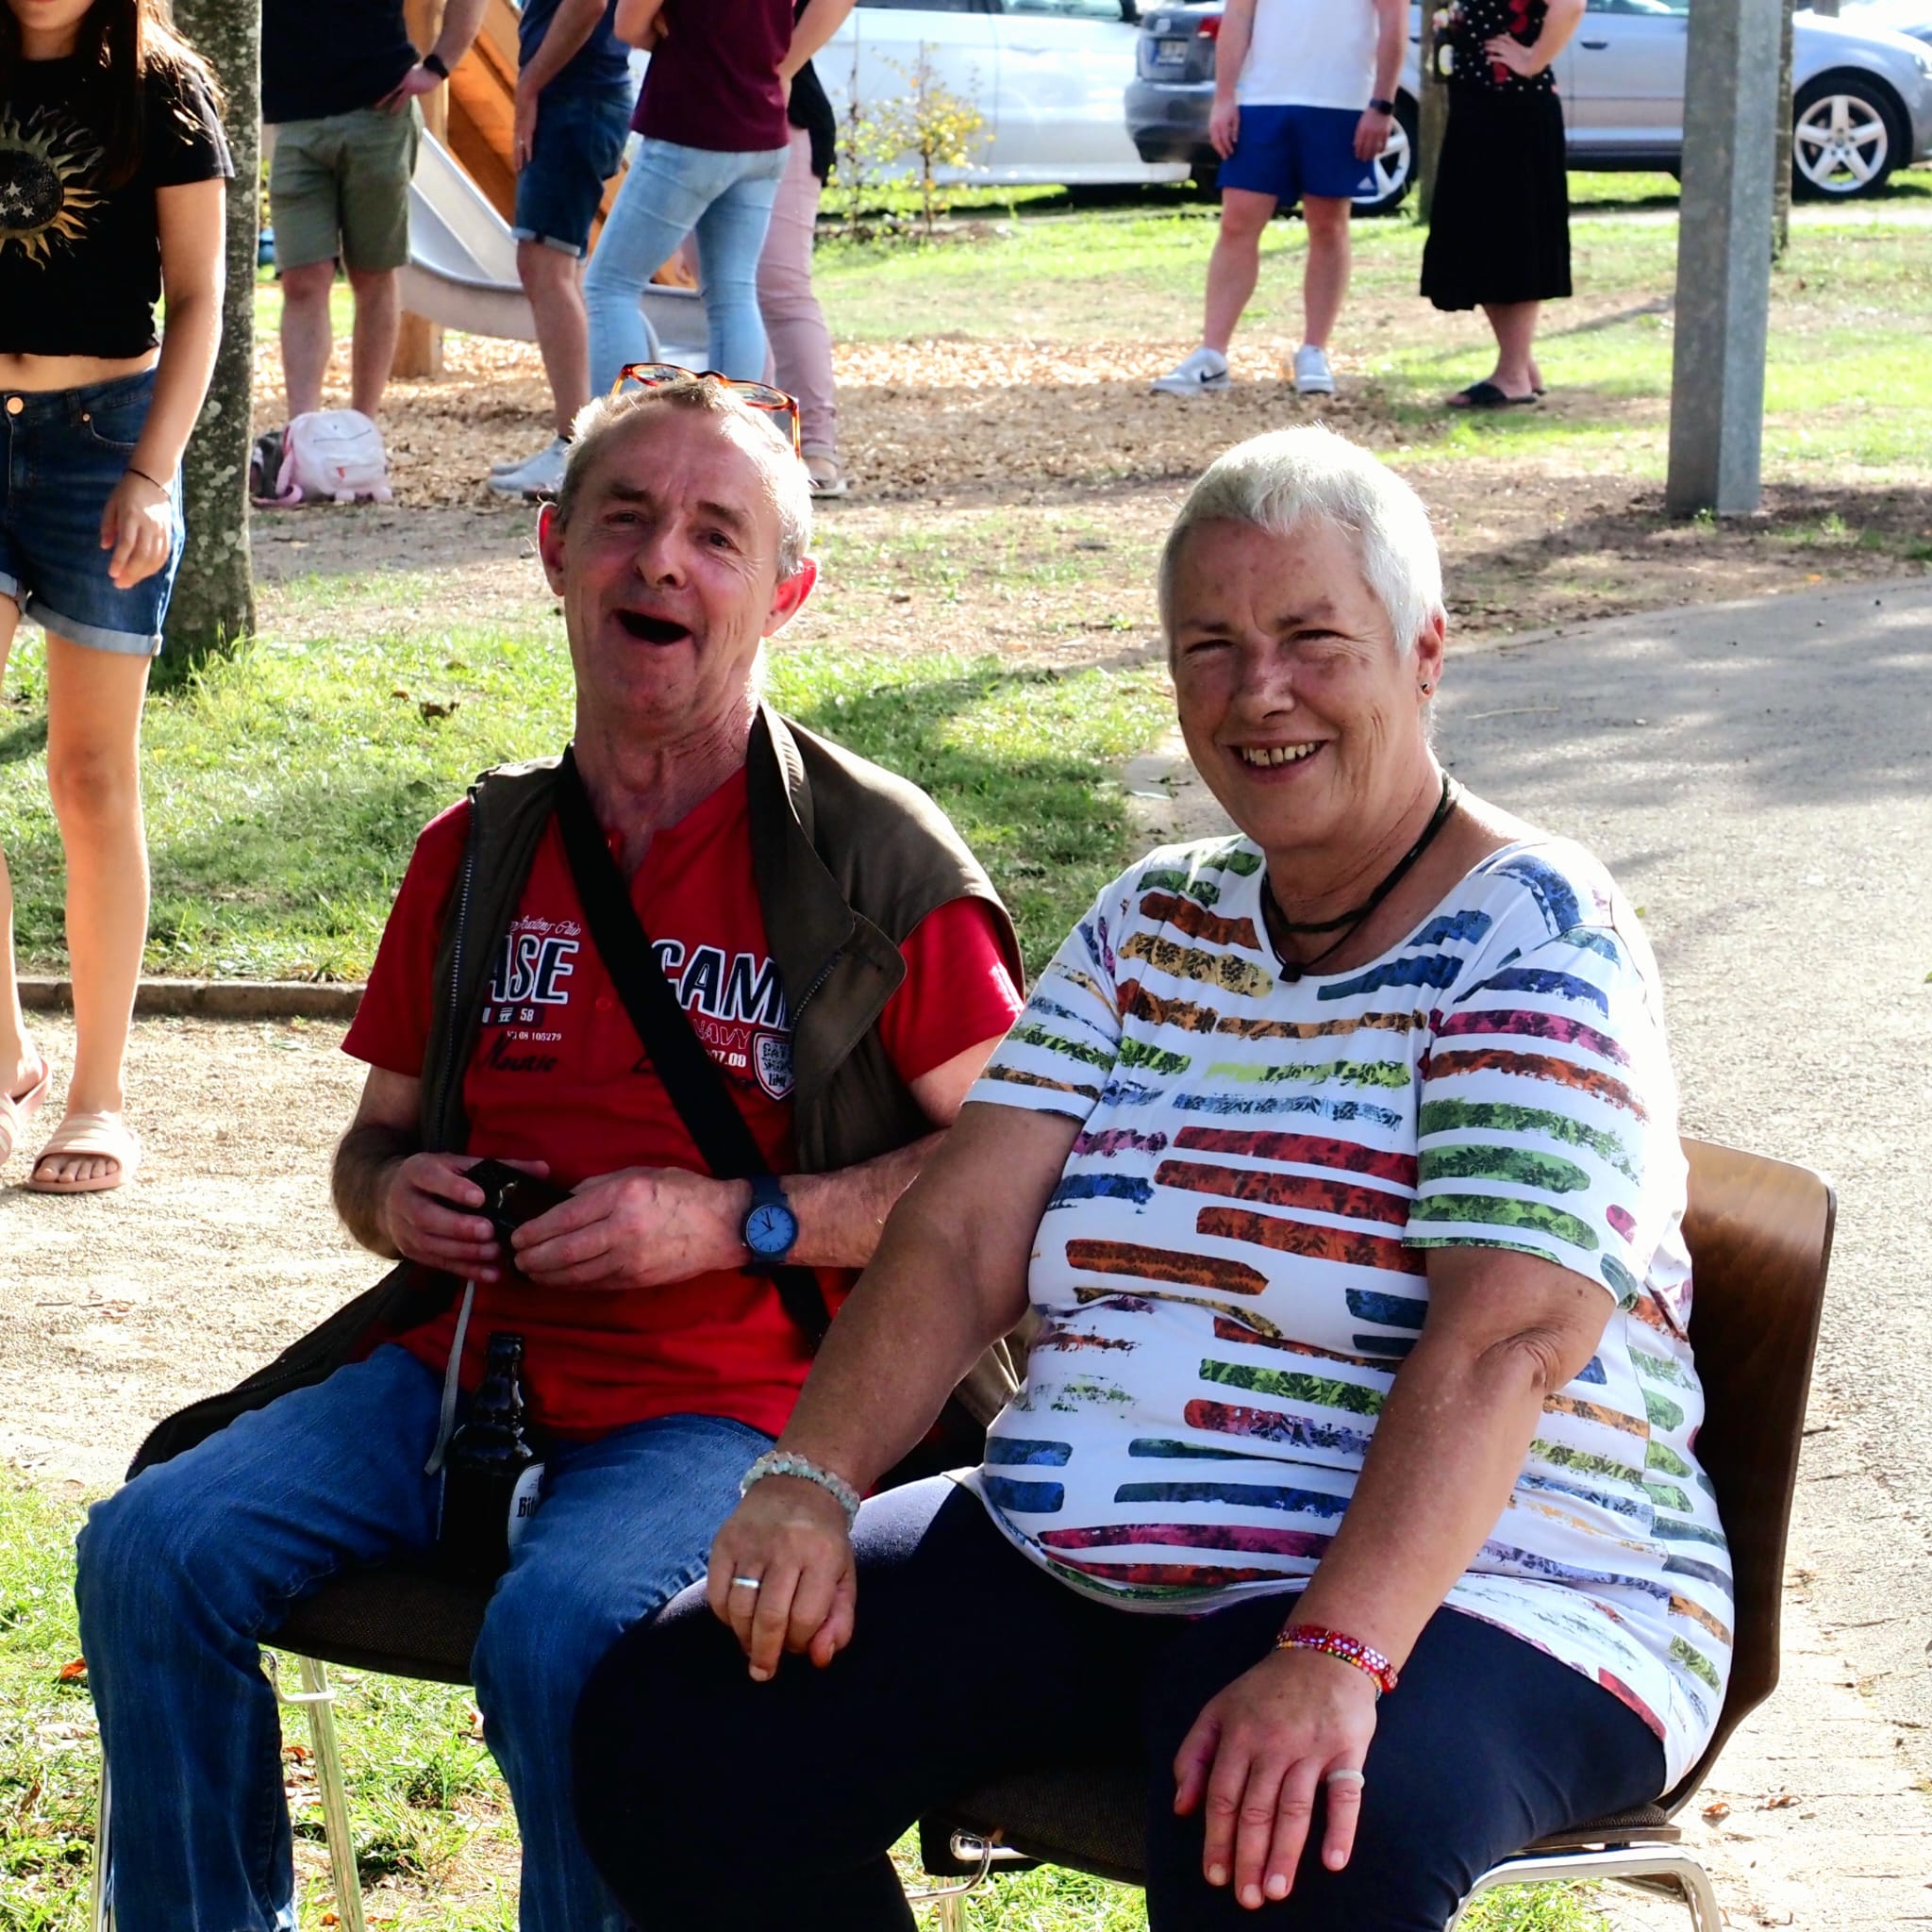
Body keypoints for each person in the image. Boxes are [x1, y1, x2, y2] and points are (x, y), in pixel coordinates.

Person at [572, 425, 1729, 1931]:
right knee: (680, 1727)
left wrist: (1337, 1655)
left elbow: (1509, 1337)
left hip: (1494, 1586)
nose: (1261, 693)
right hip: (1083, 1544)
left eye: (1314, 639)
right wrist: (807, 1484)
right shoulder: (1153, 923)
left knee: (1294, 1838)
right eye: (1213, 648)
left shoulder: (1534, 933)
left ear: (1426, 651)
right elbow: (961, 1233)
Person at [74, 375, 1027, 1931]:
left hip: (736, 1408)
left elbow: (1014, 1172)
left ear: (785, 588)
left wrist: (735, 1219)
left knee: (561, 1634)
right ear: (551, 549)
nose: (661, 560)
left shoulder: (878, 866)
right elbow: (368, 1151)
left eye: (715, 534)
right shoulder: (479, 851)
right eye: (624, 519)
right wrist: (399, 1197)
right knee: (148, 1547)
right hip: (457, 1384)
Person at [0, 0, 229, 1191]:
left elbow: (199, 297)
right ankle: (2, 1057)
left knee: (87, 775)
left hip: (108, 440)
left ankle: (97, 1094)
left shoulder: (165, 91)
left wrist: (152, 472)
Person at [583, 0, 853, 394]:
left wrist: (671, 30)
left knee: (610, 286)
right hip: (763, 128)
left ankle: (623, 446)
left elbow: (627, 25)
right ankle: (733, 441)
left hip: (690, 126)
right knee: (734, 292)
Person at [1152, 0, 1406, 401]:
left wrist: (1381, 103)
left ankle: (1313, 351)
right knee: (1237, 221)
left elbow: (1394, 20)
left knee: (1327, 224)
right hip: (1263, 99)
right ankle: (1211, 356)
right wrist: (1224, 96)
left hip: (1341, 100)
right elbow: (1238, 16)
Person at [262, 0, 486, 430]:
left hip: (379, 109)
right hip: (293, 118)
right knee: (302, 279)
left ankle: (361, 426)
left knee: (373, 272)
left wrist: (438, 66)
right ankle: (303, 433)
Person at [488, 0, 638, 500]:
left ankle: (574, 446)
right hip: (583, 96)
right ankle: (576, 445)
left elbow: (589, 4)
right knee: (560, 269)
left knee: (545, 266)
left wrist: (529, 83)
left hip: (576, 98)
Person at [1421, 0, 1584, 408]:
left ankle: (1512, 376)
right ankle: (1521, 364)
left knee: (1511, 238)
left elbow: (1571, 4)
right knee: (1480, 236)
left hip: (1515, 109)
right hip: (1479, 106)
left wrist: (1532, 59)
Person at [756, 0, 854, 498]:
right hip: (696, 119)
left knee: (780, 288)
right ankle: (751, 442)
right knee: (724, 291)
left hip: (784, 115)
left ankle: (815, 445)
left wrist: (781, 70)